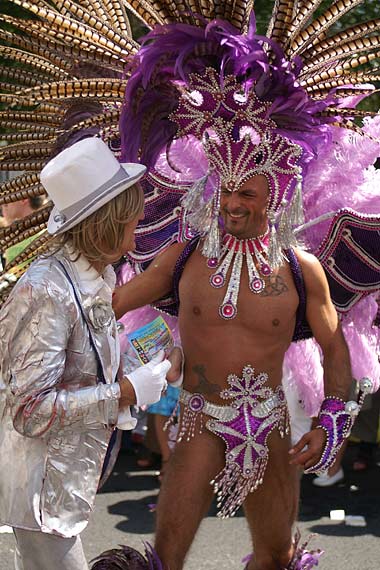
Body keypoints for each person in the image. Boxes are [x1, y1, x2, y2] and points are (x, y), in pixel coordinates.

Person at [0, 137, 174, 570]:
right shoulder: (46, 289)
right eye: (131, 222)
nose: (138, 231)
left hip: (67, 483)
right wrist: (126, 393)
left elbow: (89, 359)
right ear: (107, 224)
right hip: (39, 492)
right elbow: (30, 410)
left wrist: (143, 365)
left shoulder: (97, 275)